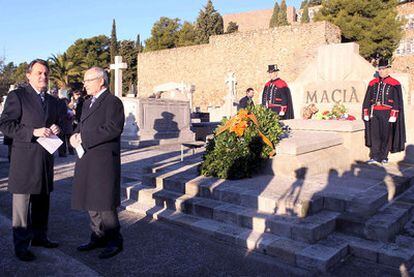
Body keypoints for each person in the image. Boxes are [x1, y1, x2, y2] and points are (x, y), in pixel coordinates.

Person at [0, 59, 61, 262]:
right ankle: (21, 246)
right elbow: (6, 125)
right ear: (28, 75)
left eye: (46, 73)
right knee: (22, 207)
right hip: (24, 160)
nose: (43, 76)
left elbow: (58, 122)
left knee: (43, 200)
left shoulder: (52, 101)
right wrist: (32, 132)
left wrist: (57, 128)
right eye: (39, 73)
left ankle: (40, 237)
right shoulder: (17, 96)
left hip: (45, 159)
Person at [70, 67, 125, 259]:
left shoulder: (113, 102)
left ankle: (114, 240)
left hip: (102, 159)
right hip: (86, 157)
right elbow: (80, 125)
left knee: (104, 202)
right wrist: (74, 136)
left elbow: (113, 128)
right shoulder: (87, 103)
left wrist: (83, 137)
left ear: (101, 81)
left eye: (88, 80)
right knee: (90, 200)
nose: (84, 84)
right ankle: (97, 236)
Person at [362, 59, 406, 165]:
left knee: (386, 135)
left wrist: (394, 114)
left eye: (383, 69)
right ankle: (374, 156)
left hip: (387, 113)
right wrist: (366, 112)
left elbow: (397, 100)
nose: (381, 71)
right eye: (380, 69)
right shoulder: (373, 83)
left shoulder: (394, 83)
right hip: (375, 112)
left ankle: (384, 156)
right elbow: (367, 99)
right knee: (375, 135)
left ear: (388, 69)